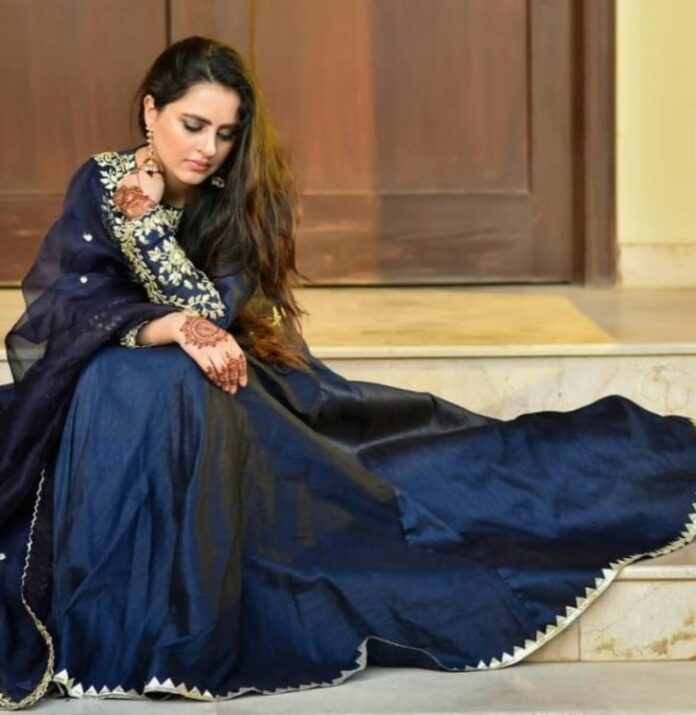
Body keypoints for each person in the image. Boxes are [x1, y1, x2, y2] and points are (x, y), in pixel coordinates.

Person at [2, 36, 696, 709]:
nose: (207, 148)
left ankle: (175, 622)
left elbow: (214, 308)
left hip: (230, 387)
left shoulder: (237, 197)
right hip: (117, 384)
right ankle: (117, 618)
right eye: (192, 125)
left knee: (194, 392)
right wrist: (168, 326)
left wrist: (151, 230)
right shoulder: (100, 181)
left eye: (224, 133)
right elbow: (69, 308)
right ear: (151, 110)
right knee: (133, 380)